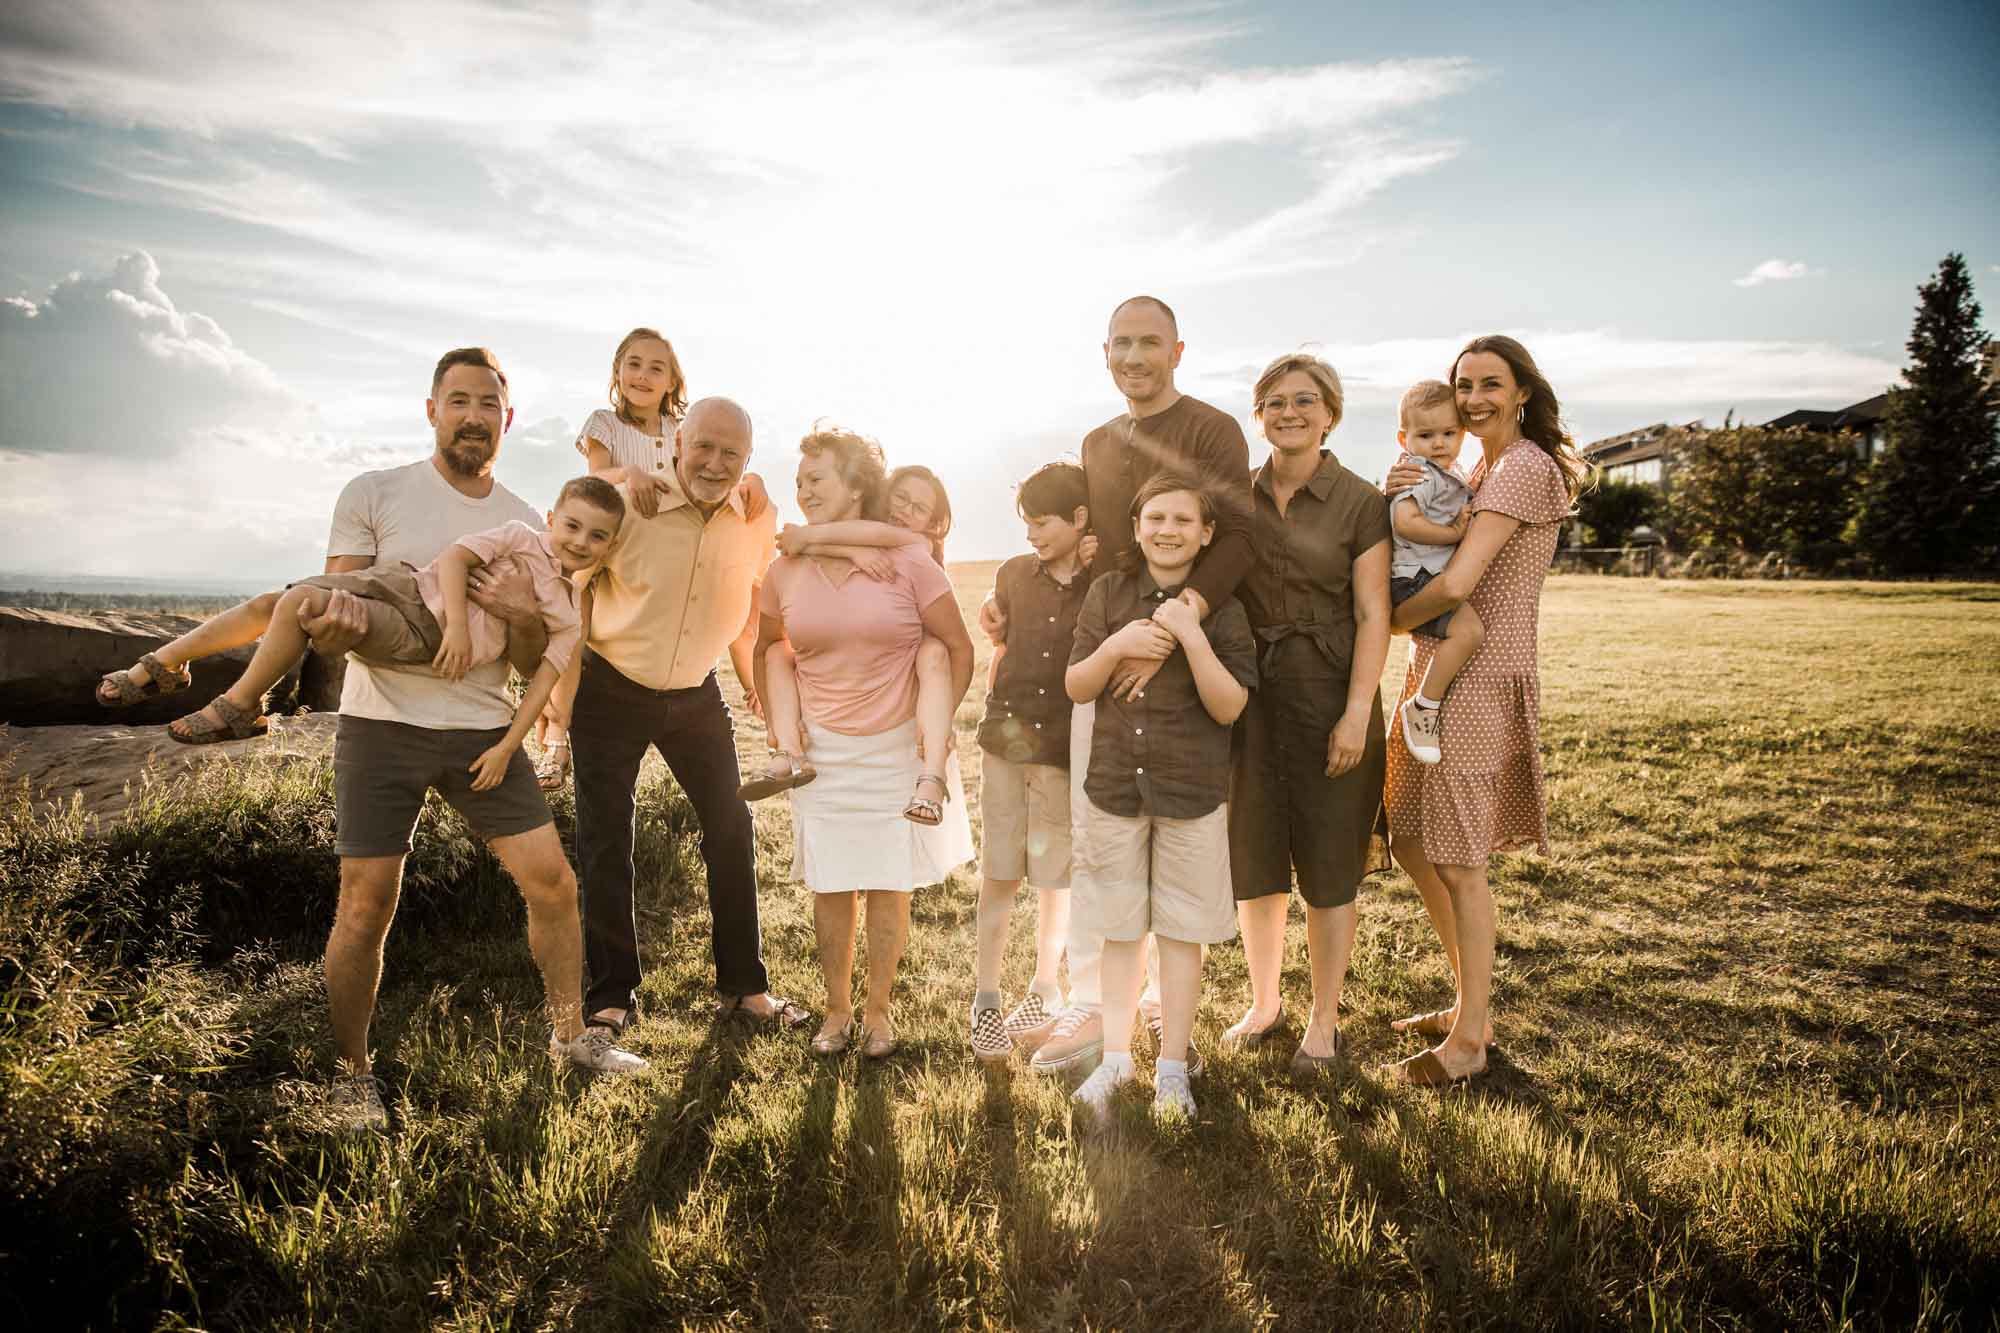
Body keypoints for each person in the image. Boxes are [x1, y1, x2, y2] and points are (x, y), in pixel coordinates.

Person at [302, 348, 649, 1131]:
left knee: (554, 883)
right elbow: (332, 614)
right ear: (431, 408)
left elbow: (536, 658)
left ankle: (571, 1038)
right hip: (382, 723)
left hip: (483, 728)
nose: (472, 415)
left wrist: (526, 614)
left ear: (506, 418)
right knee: (365, 905)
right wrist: (338, 625)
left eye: (487, 403)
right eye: (457, 400)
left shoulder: (532, 521)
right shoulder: (374, 491)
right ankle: (351, 1077)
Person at [983, 294, 1253, 1080]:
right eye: (1121, 344)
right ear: (1105, 355)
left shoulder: (1211, 430)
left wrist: (1173, 626)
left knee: (1174, 844)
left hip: (1186, 647)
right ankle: (1100, 1008)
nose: (1135, 356)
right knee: (1101, 844)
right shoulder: (1099, 440)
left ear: (1177, 350)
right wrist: (1019, 598)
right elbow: (1092, 546)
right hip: (1110, 649)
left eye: (1150, 343)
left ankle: (1164, 1019)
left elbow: (1235, 536)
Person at [564, 396, 809, 1038]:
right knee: (607, 839)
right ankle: (611, 996)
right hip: (611, 689)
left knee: (731, 827)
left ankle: (745, 987)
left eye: (732, 453)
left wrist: (756, 685)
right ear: (677, 444)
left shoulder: (754, 517)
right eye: (703, 446)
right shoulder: (630, 507)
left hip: (698, 695)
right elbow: (575, 588)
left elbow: (745, 607)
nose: (714, 463)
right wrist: (559, 701)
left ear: (748, 461)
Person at [1379, 335, 1584, 1087]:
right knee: (1408, 836)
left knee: (1461, 862)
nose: (1472, 399)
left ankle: (1468, 1043)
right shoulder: (1477, 467)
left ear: (1522, 391)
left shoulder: (1525, 467)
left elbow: (1460, 581)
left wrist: (1389, 619)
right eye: (1463, 385)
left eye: (1489, 384)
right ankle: (1473, 1006)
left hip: (1477, 678)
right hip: (1435, 669)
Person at [99, 480, 622, 770]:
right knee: (271, 602)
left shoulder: (566, 608)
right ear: (552, 517)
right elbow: (457, 558)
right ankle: (166, 662)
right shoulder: (520, 532)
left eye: (597, 537)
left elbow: (545, 679)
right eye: (572, 525)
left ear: (609, 546)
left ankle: (242, 706)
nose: (579, 542)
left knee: (298, 603)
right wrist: (463, 625)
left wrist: (513, 745)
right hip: (412, 584)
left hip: (424, 634)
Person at [752, 425, 975, 1058]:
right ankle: (835, 1011)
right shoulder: (783, 569)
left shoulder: (909, 561)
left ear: (855, 486)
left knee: (887, 883)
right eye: (799, 482)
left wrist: (941, 728)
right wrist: (780, 725)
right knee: (830, 884)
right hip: (820, 753)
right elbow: (770, 645)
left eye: (816, 479)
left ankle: (877, 1012)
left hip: (897, 747)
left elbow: (956, 648)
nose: (803, 491)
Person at [1065, 476, 1256, 1122]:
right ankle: (1116, 1058)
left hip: (1191, 793)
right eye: (1155, 517)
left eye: (1183, 519)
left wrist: (1189, 634)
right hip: (1116, 786)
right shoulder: (1109, 593)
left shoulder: (1222, 610)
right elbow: (1077, 684)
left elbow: (1230, 705)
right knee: (1121, 929)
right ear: (1137, 524)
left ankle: (1171, 1067)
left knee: (1179, 931)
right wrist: (1117, 644)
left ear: (1206, 533)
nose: (1168, 529)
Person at [1224, 353, 1392, 1072]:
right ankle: (1265, 1002)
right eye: (1274, 402)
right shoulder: (1236, 495)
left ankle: (1323, 1020)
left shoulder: (1361, 500)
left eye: (1304, 401)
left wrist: (1356, 714)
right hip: (1251, 700)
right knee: (1255, 860)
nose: (1288, 412)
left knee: (1328, 866)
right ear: (1258, 414)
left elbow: (1373, 611)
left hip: (1331, 694)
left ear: (1331, 413)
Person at [744, 465, 958, 826]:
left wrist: (809, 537)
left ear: (932, 524)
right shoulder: (863, 541)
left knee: (934, 652)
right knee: (779, 652)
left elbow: (871, 534)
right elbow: (862, 536)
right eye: (900, 498)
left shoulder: (916, 545)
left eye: (918, 509)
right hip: (857, 672)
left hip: (907, 671)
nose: (904, 511)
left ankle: (933, 777)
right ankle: (787, 749)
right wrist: (851, 553)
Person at [966, 461, 1091, 1060]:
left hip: (1062, 750)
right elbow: (999, 633)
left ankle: (1044, 985)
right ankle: (986, 998)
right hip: (1004, 741)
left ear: (1080, 520)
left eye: (1043, 523)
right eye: (1027, 524)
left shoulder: (1102, 580)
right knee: (999, 870)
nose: (1033, 535)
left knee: (1053, 877)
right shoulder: (1014, 573)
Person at [534, 327, 693, 790]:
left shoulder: (677, 432)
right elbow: (600, 476)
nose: (643, 375)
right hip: (604, 536)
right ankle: (556, 742)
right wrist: (634, 472)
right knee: (573, 631)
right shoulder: (604, 423)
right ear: (618, 372)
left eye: (656, 368)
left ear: (671, 381)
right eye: (634, 364)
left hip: (653, 549)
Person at [1387, 380, 1484, 765]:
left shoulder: (1449, 472)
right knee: (1470, 631)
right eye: (1426, 435)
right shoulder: (1418, 472)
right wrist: (1453, 534)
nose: (1439, 443)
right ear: (1403, 438)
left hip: (1426, 573)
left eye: (1448, 433)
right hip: (1414, 578)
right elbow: (1406, 521)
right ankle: (1424, 705)